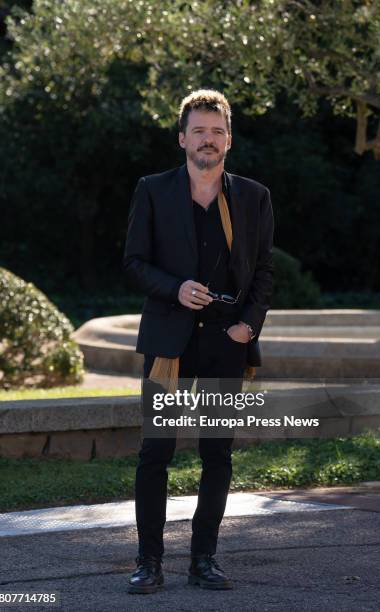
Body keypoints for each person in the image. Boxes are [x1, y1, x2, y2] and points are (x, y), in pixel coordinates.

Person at [123, 89, 274, 594]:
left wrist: (248, 325)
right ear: (182, 137)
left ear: (228, 139)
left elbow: (265, 272)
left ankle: (204, 560)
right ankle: (149, 563)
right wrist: (175, 288)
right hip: (169, 339)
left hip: (226, 342)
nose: (207, 140)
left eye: (217, 131)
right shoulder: (152, 189)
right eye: (199, 130)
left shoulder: (253, 196)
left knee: (217, 454)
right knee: (155, 453)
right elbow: (134, 261)